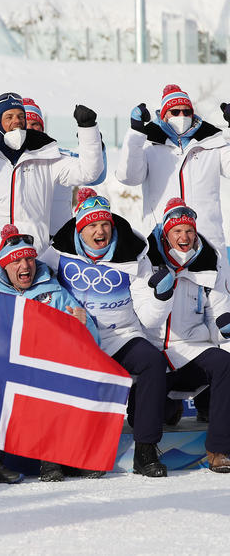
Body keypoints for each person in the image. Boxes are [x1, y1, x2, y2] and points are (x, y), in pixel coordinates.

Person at [49, 188, 169, 478]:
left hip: (120, 335)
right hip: (76, 338)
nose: (100, 230)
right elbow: (36, 281)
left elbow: (148, 314)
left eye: (104, 224)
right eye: (92, 225)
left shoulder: (132, 253)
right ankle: (56, 454)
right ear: (80, 229)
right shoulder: (56, 250)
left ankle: (145, 449)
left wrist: (160, 297)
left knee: (153, 362)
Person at [0, 224, 101, 482]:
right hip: (7, 366)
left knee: (65, 379)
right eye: (16, 261)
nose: (24, 265)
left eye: (29, 258)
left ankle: (66, 458)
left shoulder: (55, 291)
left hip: (48, 365)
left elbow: (92, 340)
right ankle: (45, 460)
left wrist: (83, 326)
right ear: (4, 265)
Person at [0, 93, 104, 264]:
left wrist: (88, 129)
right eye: (9, 117)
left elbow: (89, 172)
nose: (17, 121)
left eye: (20, 116)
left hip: (33, 259)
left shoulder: (46, 156)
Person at [140, 199, 230, 473]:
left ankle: (219, 449)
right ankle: (170, 406)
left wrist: (223, 328)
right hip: (154, 351)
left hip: (191, 348)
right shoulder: (145, 260)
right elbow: (146, 318)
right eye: (177, 231)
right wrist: (161, 295)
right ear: (166, 234)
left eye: (189, 230)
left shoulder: (210, 261)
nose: (184, 237)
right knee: (154, 415)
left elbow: (219, 309)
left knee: (224, 363)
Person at [115, 85, 230, 253]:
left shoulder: (213, 142)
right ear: (164, 115)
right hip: (162, 240)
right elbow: (129, 177)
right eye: (175, 112)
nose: (182, 116)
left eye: (186, 112)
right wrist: (135, 133)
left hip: (207, 240)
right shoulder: (148, 143)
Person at [22, 97, 107, 235]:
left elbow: (95, 177)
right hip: (25, 240)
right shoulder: (7, 161)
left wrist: (95, 144)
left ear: (42, 128)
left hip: (59, 237)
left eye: (35, 124)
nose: (30, 128)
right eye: (25, 124)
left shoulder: (60, 156)